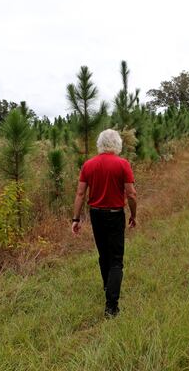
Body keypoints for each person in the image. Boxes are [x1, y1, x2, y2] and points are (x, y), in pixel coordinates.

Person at [71, 129, 137, 317]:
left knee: (103, 254)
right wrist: (133, 215)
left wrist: (76, 219)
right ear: (117, 144)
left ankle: (108, 287)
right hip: (115, 215)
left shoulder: (89, 165)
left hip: (96, 215)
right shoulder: (122, 164)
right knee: (116, 259)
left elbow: (80, 194)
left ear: (100, 144)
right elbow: (131, 194)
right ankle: (111, 306)